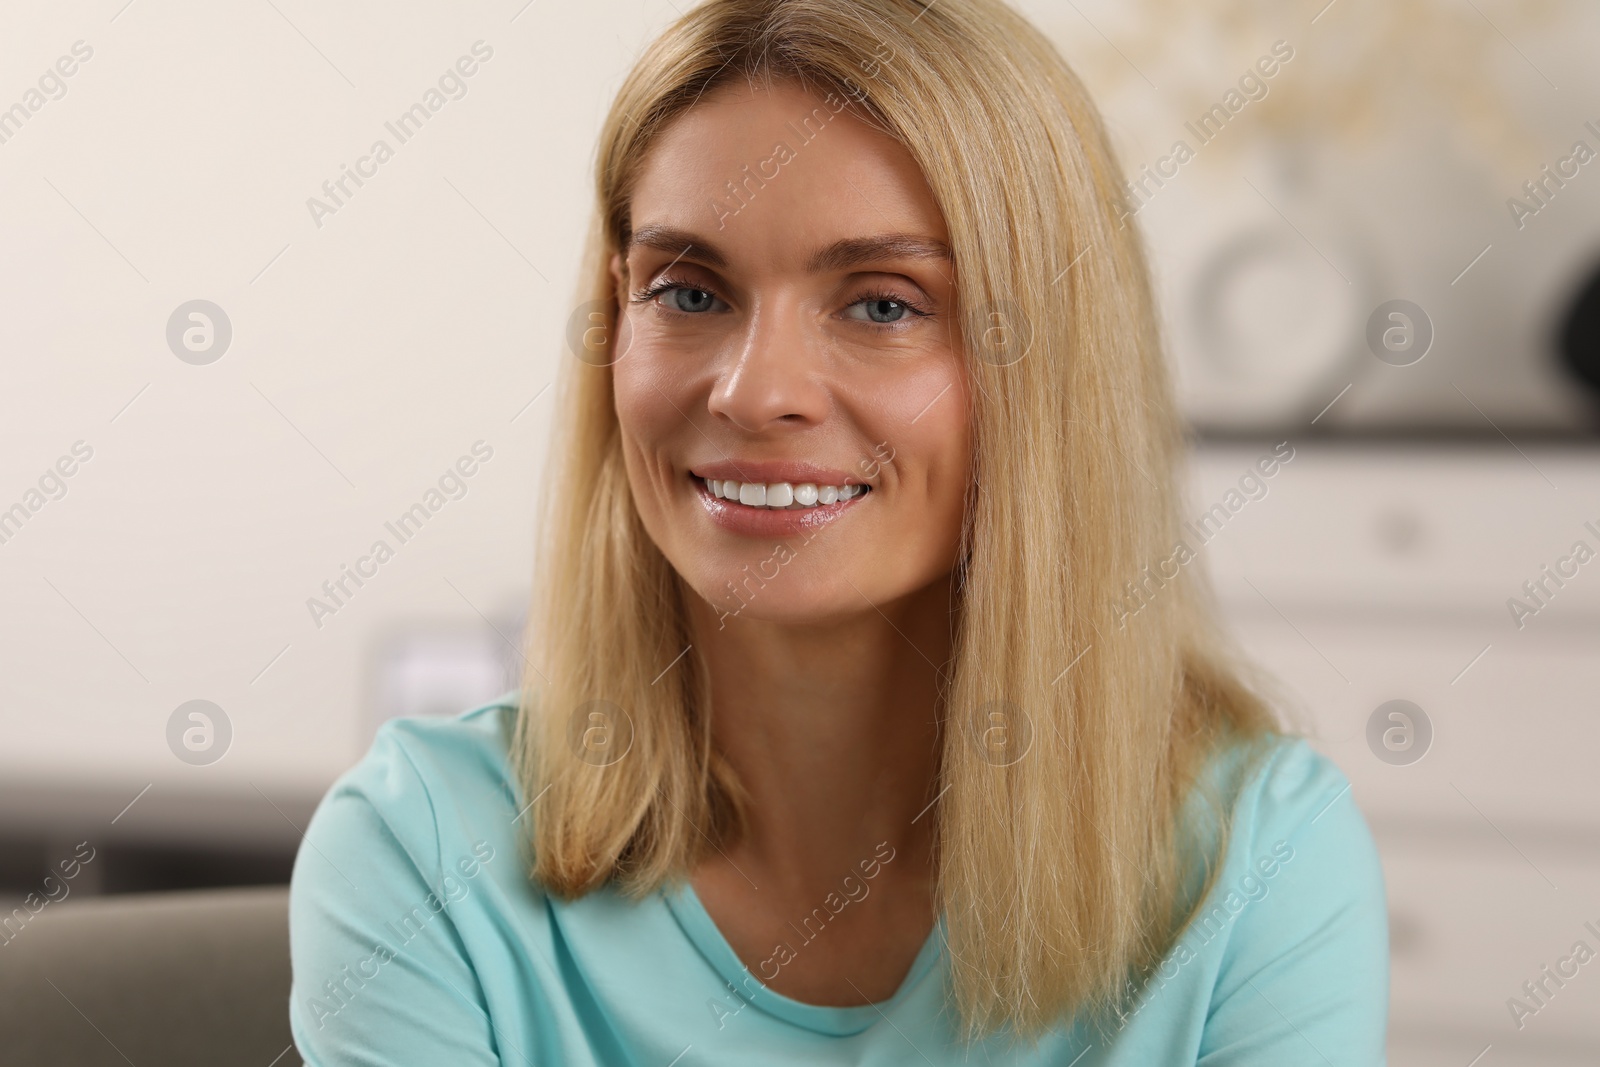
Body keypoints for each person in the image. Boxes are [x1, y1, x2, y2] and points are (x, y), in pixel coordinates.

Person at [288, 0, 1389, 1062]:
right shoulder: (423, 848)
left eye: (883, 304)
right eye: (686, 291)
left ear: (1047, 367)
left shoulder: (1257, 858)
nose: (755, 392)